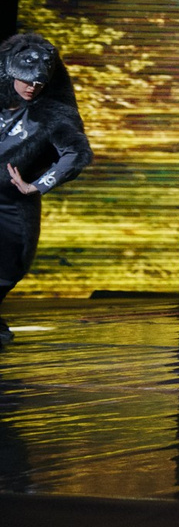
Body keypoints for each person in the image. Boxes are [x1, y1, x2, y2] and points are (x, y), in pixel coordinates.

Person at [0, 33, 92, 347]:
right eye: (26, 81)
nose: (32, 87)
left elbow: (76, 153)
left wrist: (38, 185)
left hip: (12, 204)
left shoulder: (52, 114)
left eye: (38, 83)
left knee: (9, 268)